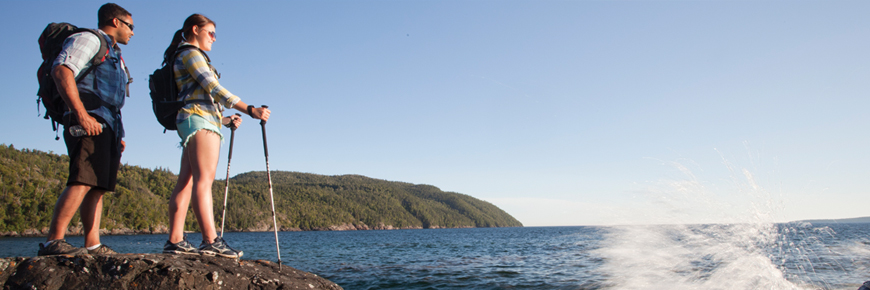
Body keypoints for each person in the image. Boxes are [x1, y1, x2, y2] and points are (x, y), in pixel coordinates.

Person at [162, 14, 271, 258]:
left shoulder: (182, 54)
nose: (214, 38)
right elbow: (214, 88)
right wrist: (250, 109)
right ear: (195, 29)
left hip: (194, 119)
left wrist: (223, 120)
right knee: (204, 181)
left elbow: (198, 97)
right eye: (210, 32)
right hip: (199, 121)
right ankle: (210, 240)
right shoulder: (190, 53)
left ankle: (175, 240)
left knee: (187, 180)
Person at [38, 3, 134, 256]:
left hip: (107, 124)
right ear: (115, 22)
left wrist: (119, 134)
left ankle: (93, 244)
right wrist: (80, 114)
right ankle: (53, 241)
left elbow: (113, 99)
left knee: (98, 185)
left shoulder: (115, 54)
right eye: (130, 26)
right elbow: (62, 70)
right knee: (82, 179)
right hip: (87, 117)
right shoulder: (89, 39)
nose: (133, 33)